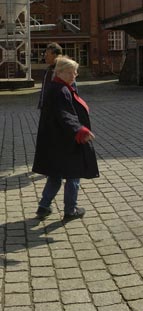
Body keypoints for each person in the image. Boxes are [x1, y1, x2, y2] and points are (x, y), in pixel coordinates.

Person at [32, 55, 94, 223]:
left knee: (55, 174)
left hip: (55, 140)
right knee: (73, 175)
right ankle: (70, 210)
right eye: (72, 72)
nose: (75, 75)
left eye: (75, 72)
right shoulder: (61, 91)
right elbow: (65, 115)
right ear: (61, 72)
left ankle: (44, 206)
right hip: (66, 140)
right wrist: (80, 130)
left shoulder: (57, 87)